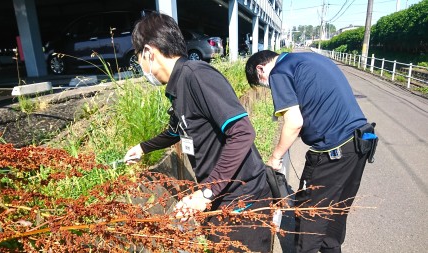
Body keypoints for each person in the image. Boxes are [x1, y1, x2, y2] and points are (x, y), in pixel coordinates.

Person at [123, 12, 272, 252]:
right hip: (220, 195)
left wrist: (206, 192)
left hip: (242, 198)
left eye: (138, 57)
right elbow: (176, 131)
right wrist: (143, 147)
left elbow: (242, 132)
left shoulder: (197, 76)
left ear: (149, 52)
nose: (139, 65)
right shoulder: (178, 86)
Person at [245, 50, 376, 253]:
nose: (266, 86)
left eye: (261, 82)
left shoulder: (279, 71)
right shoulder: (309, 59)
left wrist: (275, 157)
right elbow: (317, 106)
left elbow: (295, 122)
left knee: (309, 216)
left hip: (333, 150)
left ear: (260, 69)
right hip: (359, 144)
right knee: (335, 213)